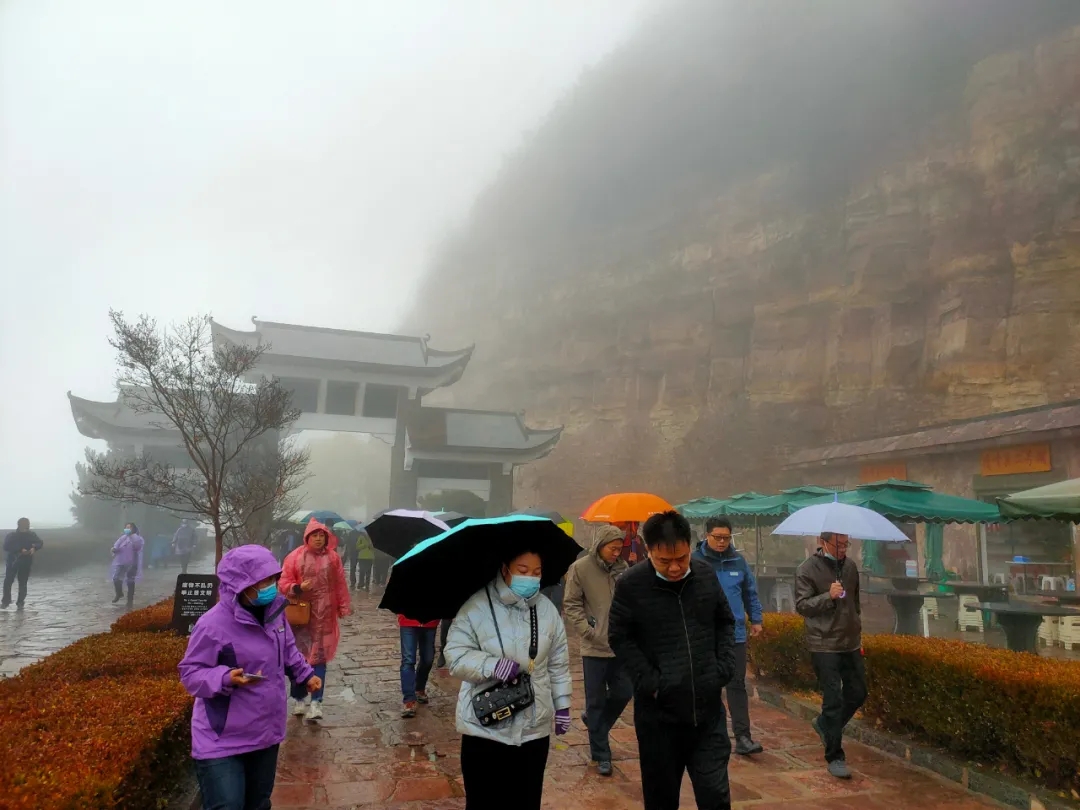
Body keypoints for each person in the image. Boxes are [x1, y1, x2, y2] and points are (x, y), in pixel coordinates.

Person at [178, 543, 322, 810]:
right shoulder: (211, 625)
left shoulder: (276, 614)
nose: (269, 585)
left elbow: (287, 649)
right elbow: (191, 673)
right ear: (240, 584)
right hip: (221, 739)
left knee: (258, 803)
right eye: (262, 580)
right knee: (228, 805)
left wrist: (305, 674)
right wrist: (224, 678)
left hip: (265, 732)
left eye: (272, 578)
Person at [608, 510, 736, 810]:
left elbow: (725, 621)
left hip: (708, 714)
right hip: (659, 720)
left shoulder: (705, 575)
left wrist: (724, 667)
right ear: (649, 550)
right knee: (661, 799)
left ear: (689, 547)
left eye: (681, 557)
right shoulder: (631, 584)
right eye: (664, 561)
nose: (676, 567)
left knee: (715, 796)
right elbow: (619, 637)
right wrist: (652, 682)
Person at [444, 545, 573, 810]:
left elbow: (558, 663)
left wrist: (563, 704)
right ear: (505, 570)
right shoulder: (476, 605)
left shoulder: (547, 611)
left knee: (526, 802)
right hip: (484, 730)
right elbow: (454, 656)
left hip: (533, 731)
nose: (531, 578)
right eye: (523, 571)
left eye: (537, 572)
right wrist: (490, 665)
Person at [795, 531, 865, 780]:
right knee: (833, 699)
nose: (844, 548)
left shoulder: (851, 567)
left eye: (847, 543)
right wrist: (828, 596)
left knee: (858, 692)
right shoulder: (806, 569)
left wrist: (857, 631)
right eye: (839, 544)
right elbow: (802, 606)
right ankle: (835, 756)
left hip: (850, 642)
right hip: (823, 643)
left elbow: (855, 604)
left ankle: (825, 724)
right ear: (823, 542)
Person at [563, 523, 631, 776]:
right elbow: (571, 604)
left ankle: (595, 725)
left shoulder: (623, 570)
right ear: (600, 546)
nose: (616, 553)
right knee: (595, 700)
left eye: (619, 549)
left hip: (620, 645)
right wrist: (588, 631)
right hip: (594, 647)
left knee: (624, 691)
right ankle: (601, 754)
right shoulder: (580, 568)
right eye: (613, 549)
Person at [693, 518, 765, 756]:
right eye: (718, 537)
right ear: (707, 536)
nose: (722, 542)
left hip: (734, 635)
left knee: (737, 684)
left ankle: (743, 737)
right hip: (705, 635)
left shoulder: (738, 561)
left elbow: (750, 592)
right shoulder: (694, 562)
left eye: (726, 538)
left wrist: (756, 619)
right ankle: (706, 735)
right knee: (706, 686)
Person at [279, 521, 350, 721]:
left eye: (322, 535)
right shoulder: (294, 557)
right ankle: (299, 698)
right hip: (301, 616)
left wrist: (343, 605)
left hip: (325, 615)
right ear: (307, 537)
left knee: (320, 657)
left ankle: (317, 702)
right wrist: (299, 587)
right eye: (315, 535)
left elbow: (340, 583)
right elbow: (283, 582)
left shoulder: (333, 558)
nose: (319, 539)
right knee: (298, 657)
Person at [399, 613, 439, 717]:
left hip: (430, 621)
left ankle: (419, 688)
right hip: (408, 620)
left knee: (428, 659)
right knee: (408, 660)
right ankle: (409, 700)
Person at [2, 518, 43, 610]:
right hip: (13, 561)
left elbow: (39, 542)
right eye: (23, 527)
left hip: (26, 562)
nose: (25, 529)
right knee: (8, 581)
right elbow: (6, 546)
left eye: (26, 527)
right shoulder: (12, 535)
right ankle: (6, 602)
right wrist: (20, 550)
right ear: (19, 525)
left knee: (23, 582)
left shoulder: (31, 535)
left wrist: (34, 548)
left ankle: (20, 602)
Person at [110, 522, 144, 608]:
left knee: (130, 581)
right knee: (116, 578)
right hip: (120, 562)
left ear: (133, 529)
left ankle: (130, 600)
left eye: (129, 527)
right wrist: (114, 549)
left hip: (132, 563)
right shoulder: (123, 537)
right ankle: (119, 593)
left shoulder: (137, 538)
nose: (127, 529)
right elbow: (116, 545)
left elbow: (138, 547)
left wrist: (132, 538)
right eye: (126, 527)